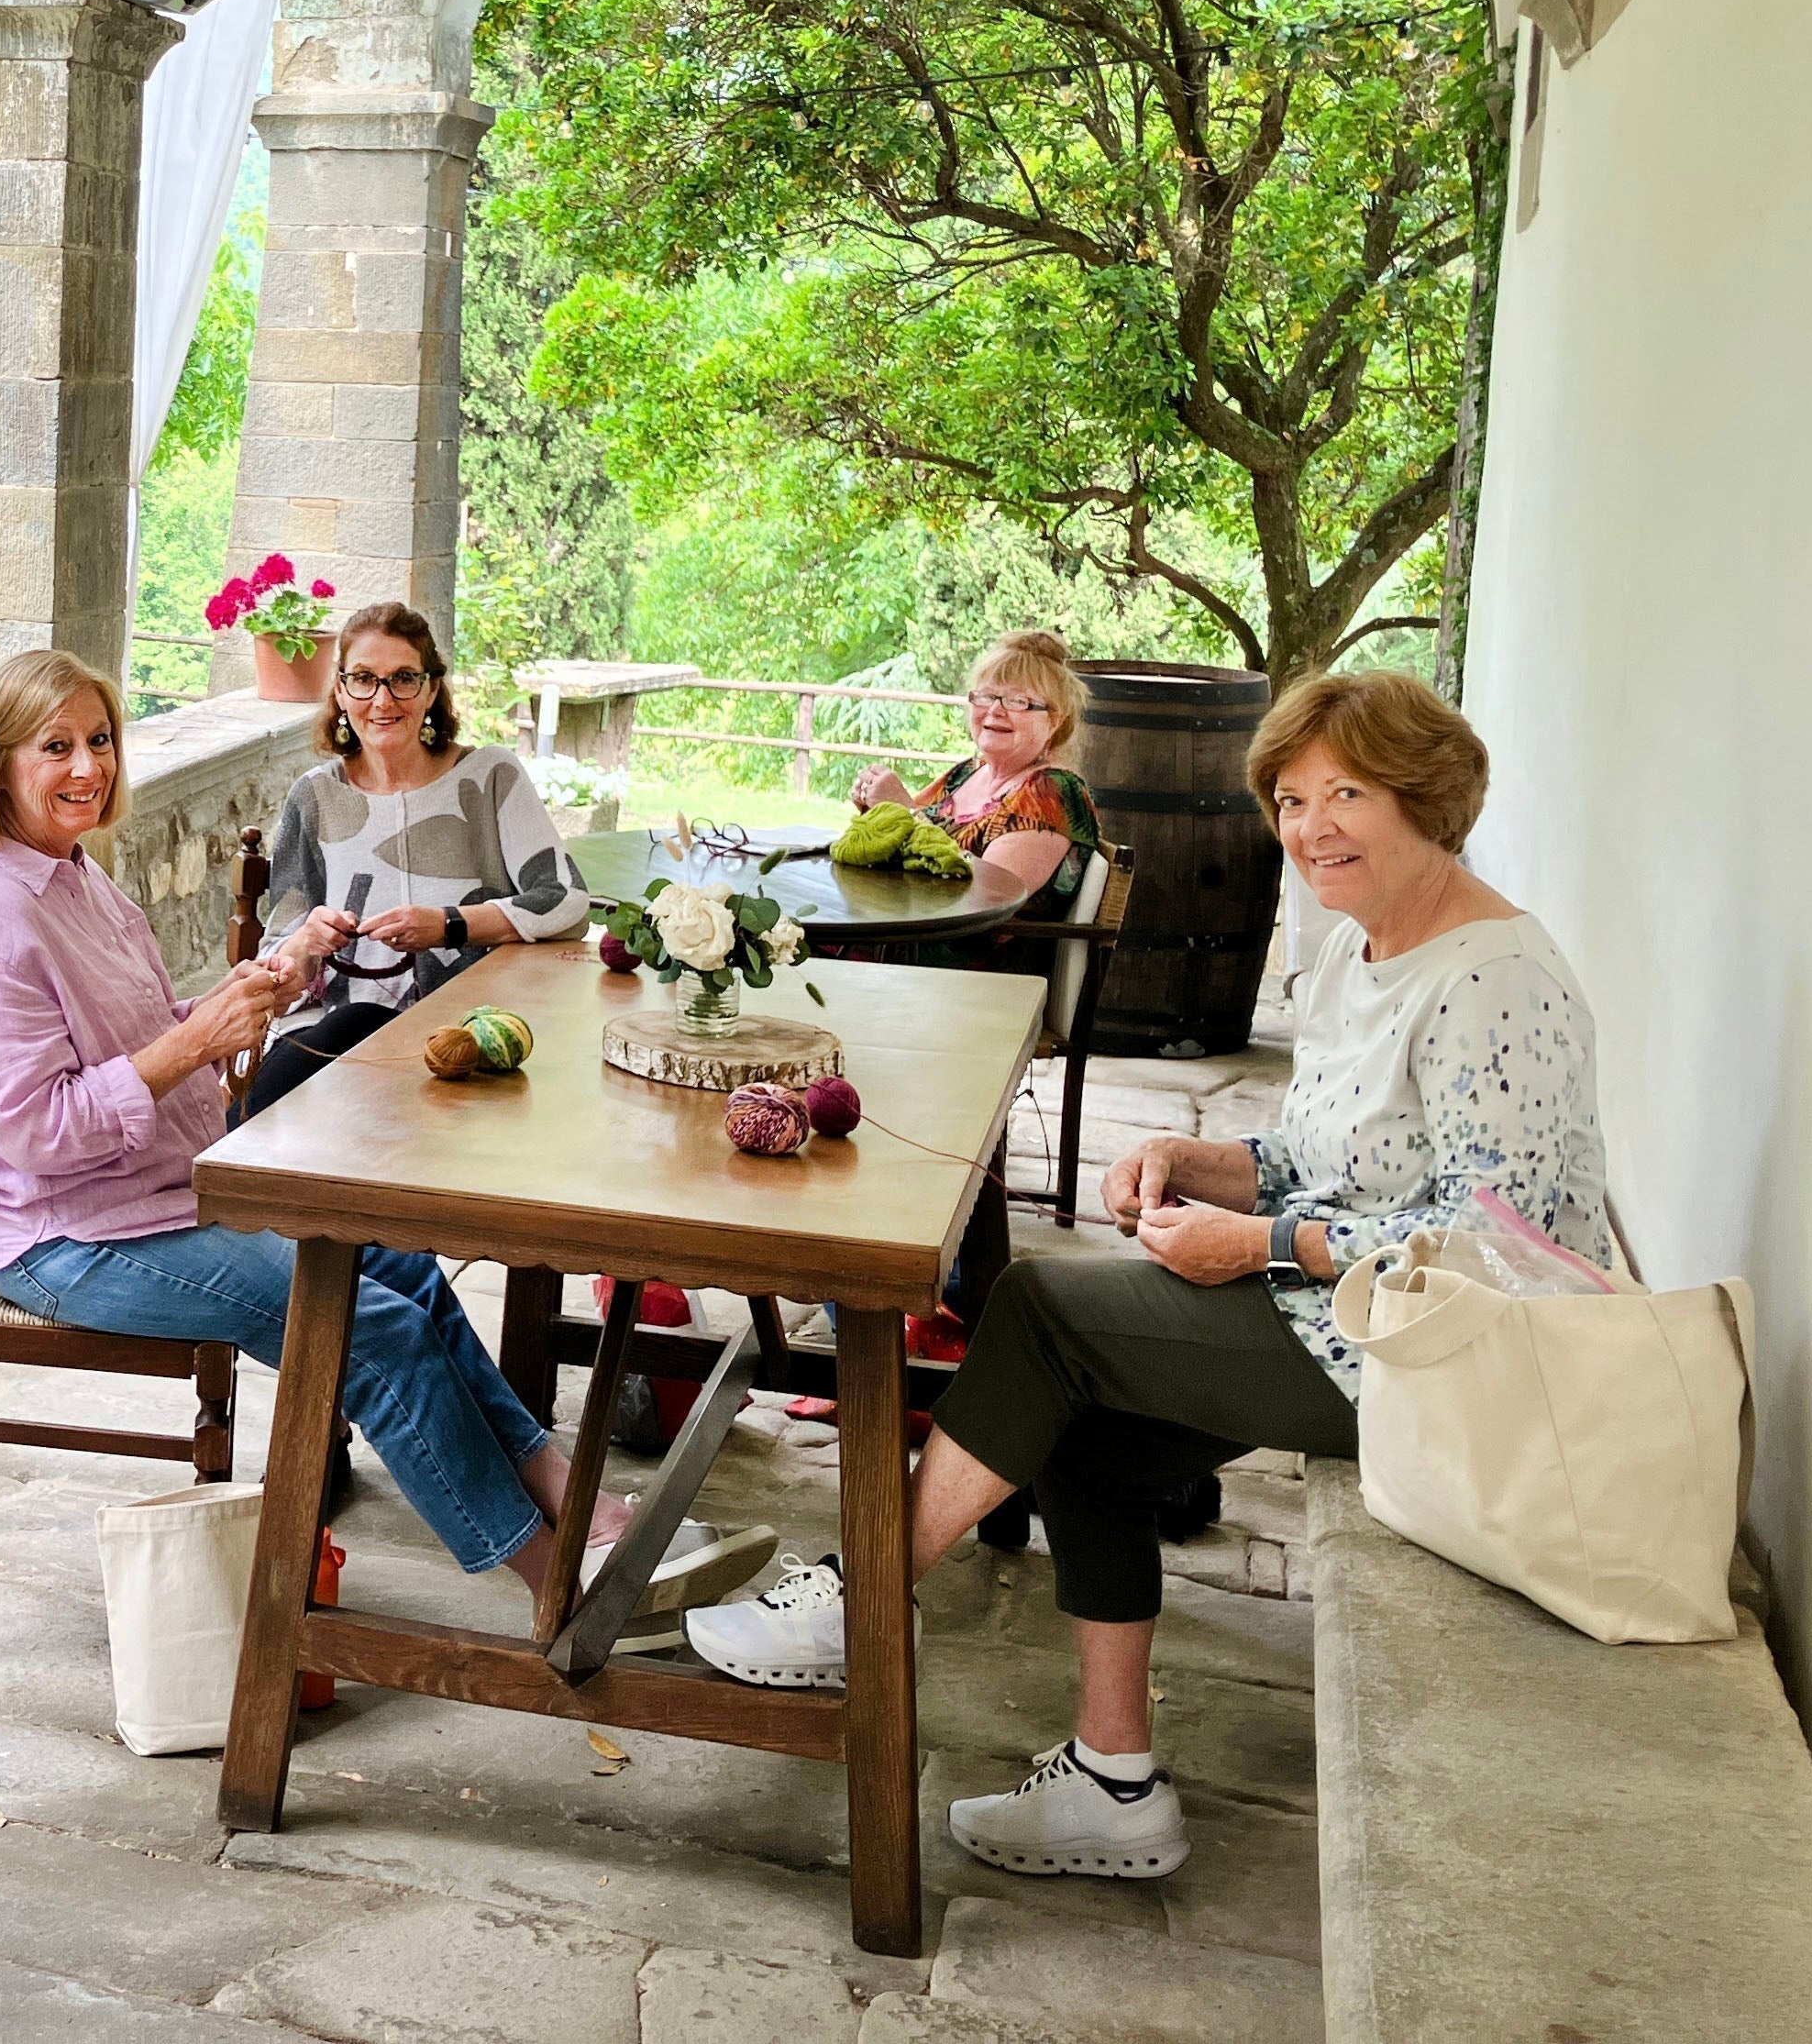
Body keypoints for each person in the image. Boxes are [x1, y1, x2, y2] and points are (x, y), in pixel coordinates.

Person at [688, 669, 1607, 1881]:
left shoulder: (1491, 976)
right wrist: (1196, 1160)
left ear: (1429, 797)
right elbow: (1325, 1159)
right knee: (1088, 1436)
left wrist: (1260, 1246)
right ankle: (1116, 1786)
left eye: (1349, 793)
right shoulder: (1362, 942)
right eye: (1288, 798)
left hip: (1439, 1358)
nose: (1311, 825)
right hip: (1350, 1311)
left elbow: (1499, 1241)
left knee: (1041, 1313)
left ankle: (859, 1597)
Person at [0, 645, 642, 1630]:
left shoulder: (72, 874)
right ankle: (551, 1584)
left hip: (152, 1190)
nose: (90, 768)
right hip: (61, 1236)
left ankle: (551, 1479)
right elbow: (41, 1133)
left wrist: (273, 975)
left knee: (404, 1269)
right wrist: (196, 1042)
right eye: (57, 748)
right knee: (367, 1329)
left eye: (101, 741)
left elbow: (154, 1027)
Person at [245, 602, 591, 1112]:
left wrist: (449, 925)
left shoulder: (491, 777)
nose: (383, 699)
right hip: (336, 1042)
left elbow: (567, 902)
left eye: (403, 678)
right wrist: (306, 941)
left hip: (465, 1036)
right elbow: (275, 960)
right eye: (363, 679)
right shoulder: (314, 796)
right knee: (347, 1029)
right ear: (340, 692)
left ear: (430, 689)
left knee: (337, 1049)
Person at [847, 628, 1100, 915]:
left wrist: (901, 810)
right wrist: (876, 810)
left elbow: (987, 896)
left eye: (1018, 701)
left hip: (958, 951)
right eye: (986, 696)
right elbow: (910, 843)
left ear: (1055, 720)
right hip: (905, 924)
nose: (995, 710)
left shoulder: (1052, 792)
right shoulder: (967, 773)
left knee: (799, 944)